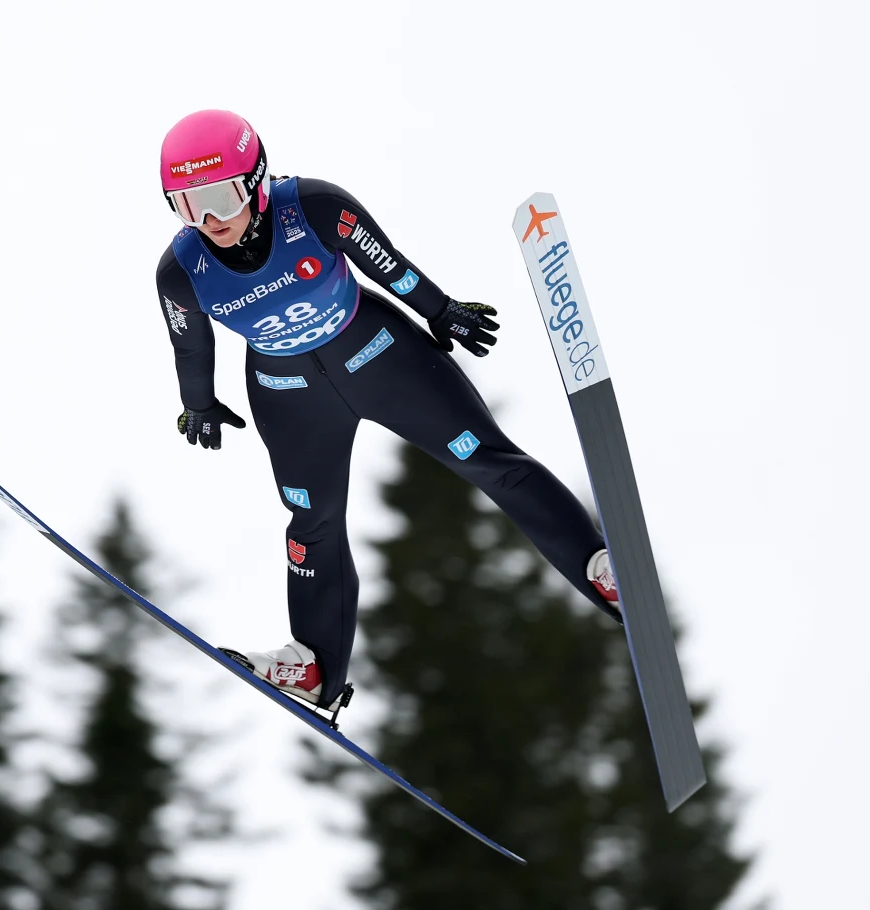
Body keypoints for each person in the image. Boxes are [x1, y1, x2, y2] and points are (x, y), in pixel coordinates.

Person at [156, 109, 620, 713]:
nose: (209, 220)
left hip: (377, 353)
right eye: (188, 206)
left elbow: (387, 262)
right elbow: (190, 345)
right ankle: (315, 666)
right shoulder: (180, 272)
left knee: (487, 459)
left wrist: (441, 309)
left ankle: (600, 572)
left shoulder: (315, 208)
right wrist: (199, 406)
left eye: (218, 196)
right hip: (286, 390)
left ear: (257, 179)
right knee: (311, 523)